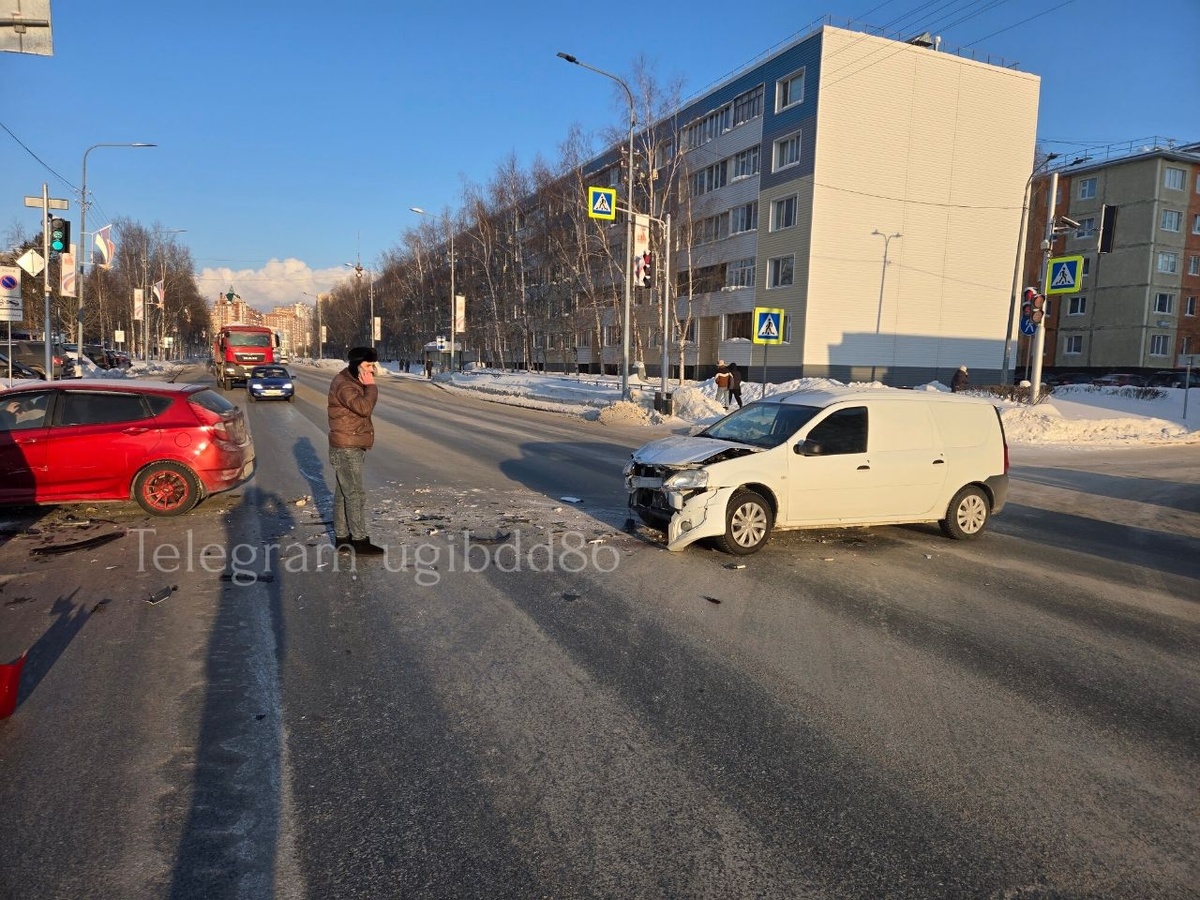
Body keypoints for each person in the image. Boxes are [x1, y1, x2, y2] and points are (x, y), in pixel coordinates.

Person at [327, 347, 386, 556]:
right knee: (354, 495)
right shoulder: (345, 385)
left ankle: (342, 538)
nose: (372, 370)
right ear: (356, 365)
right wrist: (371, 387)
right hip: (347, 447)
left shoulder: (349, 381)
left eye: (373, 365)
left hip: (348, 444)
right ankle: (359, 541)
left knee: (343, 493)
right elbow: (363, 408)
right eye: (368, 365)